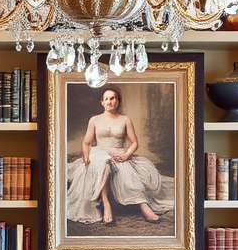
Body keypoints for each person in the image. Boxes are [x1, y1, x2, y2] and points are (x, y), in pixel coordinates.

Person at [66, 86, 173, 226]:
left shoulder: (125, 119)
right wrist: (86, 157)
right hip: (99, 153)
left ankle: (143, 206)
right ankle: (106, 204)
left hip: (119, 153)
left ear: (117, 101)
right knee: (103, 164)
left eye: (112, 98)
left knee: (125, 169)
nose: (109, 102)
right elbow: (86, 142)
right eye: (106, 99)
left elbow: (134, 143)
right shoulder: (94, 120)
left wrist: (127, 155)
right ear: (102, 102)